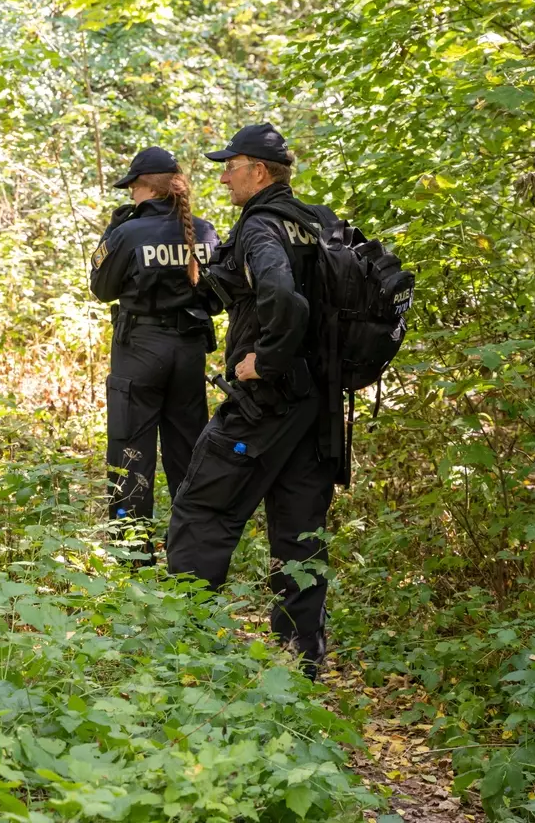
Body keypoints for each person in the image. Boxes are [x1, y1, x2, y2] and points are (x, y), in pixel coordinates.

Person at [165, 122, 342, 679]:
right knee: (299, 530)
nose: (223, 176)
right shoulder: (316, 223)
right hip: (317, 405)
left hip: (266, 402)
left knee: (202, 508)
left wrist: (263, 360)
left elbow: (284, 300)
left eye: (231, 166)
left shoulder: (263, 228)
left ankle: (182, 646)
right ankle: (303, 655)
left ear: (258, 172)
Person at [89, 146, 219, 565]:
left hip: (140, 352)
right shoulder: (206, 231)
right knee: (188, 457)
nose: (129, 195)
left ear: (146, 187)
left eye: (132, 187)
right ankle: (192, 564)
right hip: (189, 354)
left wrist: (112, 233)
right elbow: (218, 298)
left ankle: (132, 561)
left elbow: (102, 288)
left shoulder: (128, 234)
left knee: (130, 454)